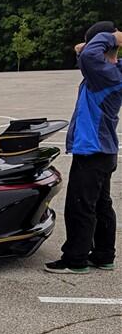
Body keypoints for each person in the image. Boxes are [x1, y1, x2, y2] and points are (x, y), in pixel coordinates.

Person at [46, 21, 122, 274]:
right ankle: (103, 255)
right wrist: (88, 48)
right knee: (101, 205)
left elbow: (89, 56)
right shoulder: (111, 71)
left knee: (80, 206)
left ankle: (75, 259)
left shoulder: (106, 75)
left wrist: (110, 38)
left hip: (92, 151)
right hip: (104, 151)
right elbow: (88, 59)